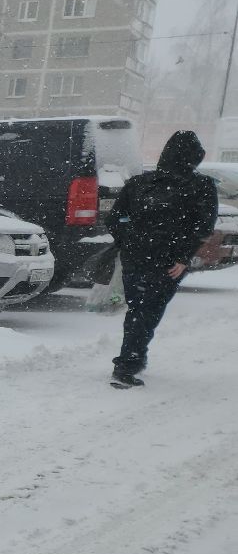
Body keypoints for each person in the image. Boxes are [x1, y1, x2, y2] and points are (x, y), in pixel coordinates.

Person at [106, 130, 220, 388]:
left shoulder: (138, 183)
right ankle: (127, 365)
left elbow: (114, 219)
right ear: (195, 157)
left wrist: (129, 241)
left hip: (136, 258)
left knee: (138, 309)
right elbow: (202, 227)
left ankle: (134, 358)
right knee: (149, 311)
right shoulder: (201, 186)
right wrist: (183, 257)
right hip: (169, 261)